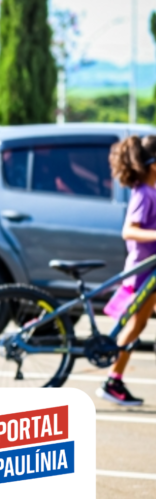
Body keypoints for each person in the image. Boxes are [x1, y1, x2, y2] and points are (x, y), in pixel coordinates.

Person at [100, 135, 156, 406]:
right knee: (134, 324)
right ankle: (113, 380)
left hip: (150, 270)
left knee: (138, 324)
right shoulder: (144, 194)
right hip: (142, 271)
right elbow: (129, 230)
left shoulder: (151, 192)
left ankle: (114, 379)